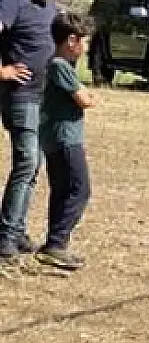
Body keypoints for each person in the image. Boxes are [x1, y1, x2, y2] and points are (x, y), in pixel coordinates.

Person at [0, 0, 69, 266]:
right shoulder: (14, 3)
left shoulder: (52, 10)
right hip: (21, 95)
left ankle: (15, 229)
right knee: (27, 160)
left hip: (44, 100)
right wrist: (2, 70)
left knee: (33, 165)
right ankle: (6, 239)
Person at [33, 14, 95, 273]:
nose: (87, 47)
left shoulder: (59, 65)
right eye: (84, 41)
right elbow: (85, 100)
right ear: (71, 40)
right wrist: (87, 95)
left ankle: (55, 245)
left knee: (61, 191)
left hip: (55, 139)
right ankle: (56, 243)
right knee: (80, 189)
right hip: (65, 138)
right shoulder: (60, 66)